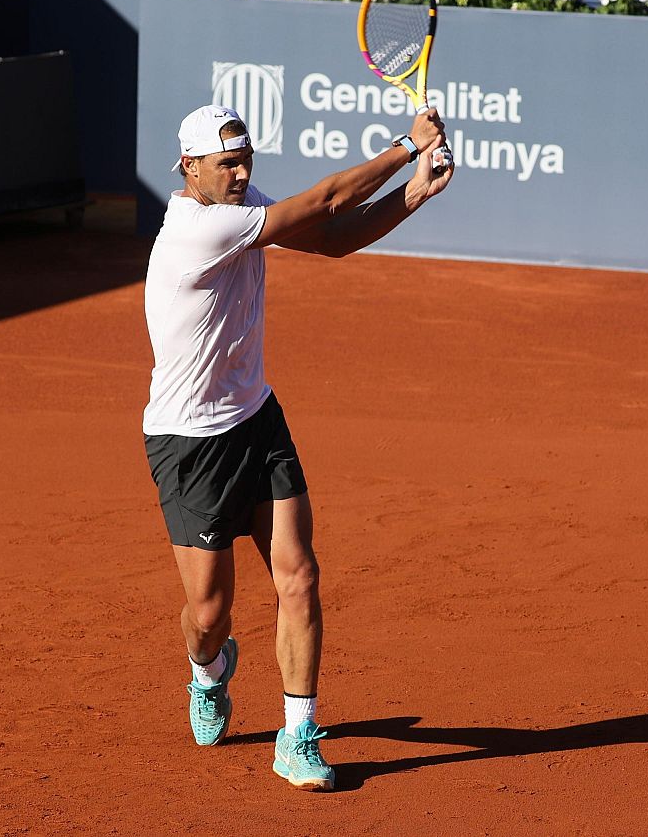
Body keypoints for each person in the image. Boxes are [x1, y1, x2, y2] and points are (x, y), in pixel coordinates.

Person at [141, 103, 452, 791]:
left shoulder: (240, 202)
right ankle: (208, 671)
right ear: (189, 167)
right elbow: (328, 197)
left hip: (256, 417)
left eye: (246, 158)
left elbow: (331, 235)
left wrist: (414, 194)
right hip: (190, 442)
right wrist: (406, 146)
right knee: (209, 613)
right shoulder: (200, 228)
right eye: (227, 163)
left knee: (300, 574)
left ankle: (297, 734)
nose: (242, 171)